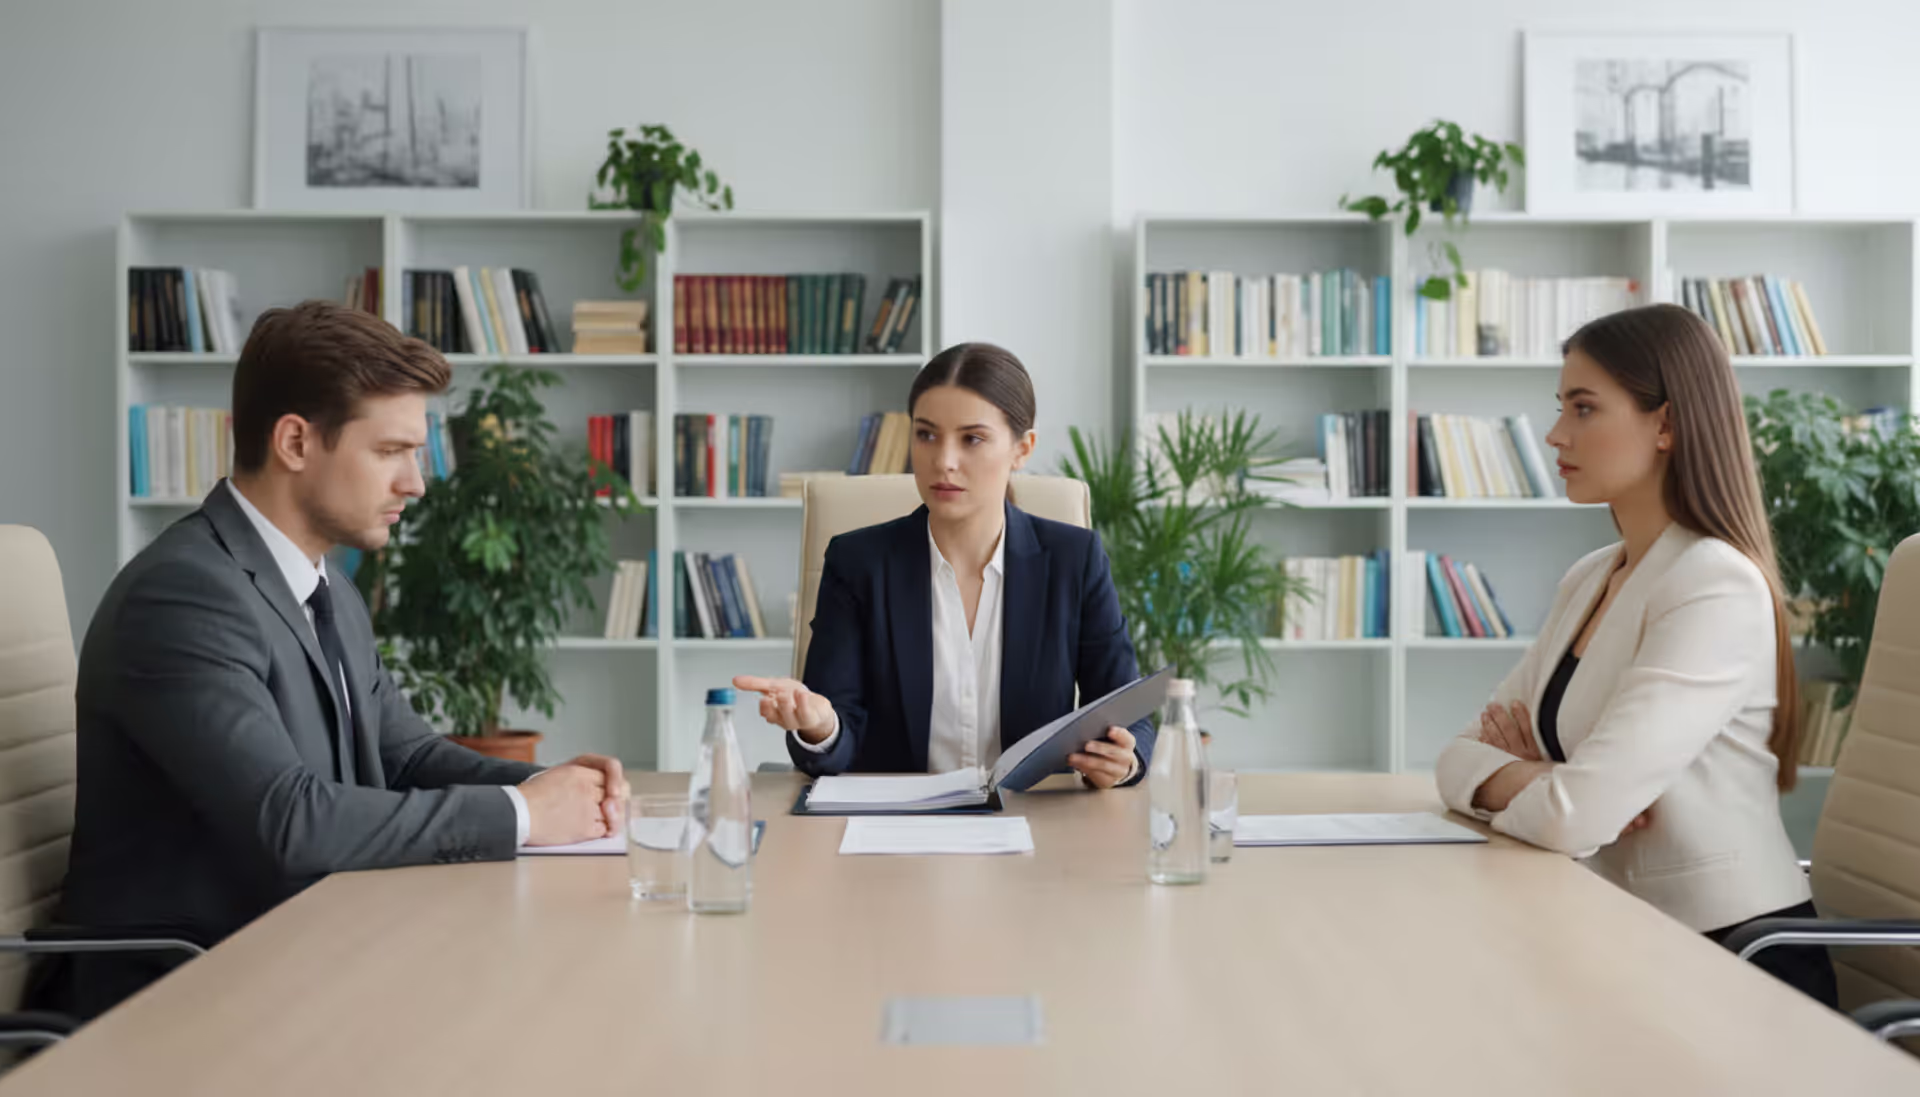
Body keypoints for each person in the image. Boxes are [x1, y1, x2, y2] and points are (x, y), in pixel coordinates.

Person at [40, 300, 628, 1020]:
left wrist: (552, 786)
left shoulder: (327, 587)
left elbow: (406, 756)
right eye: (390, 451)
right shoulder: (184, 596)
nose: (416, 481)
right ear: (295, 441)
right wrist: (523, 814)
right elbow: (290, 822)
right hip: (180, 991)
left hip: (307, 950)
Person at [1434, 303, 1834, 1006]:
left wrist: (1553, 788)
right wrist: (1541, 776)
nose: (1556, 434)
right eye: (1561, 407)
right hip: (1620, 933)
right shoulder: (1592, 576)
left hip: (1732, 964)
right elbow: (1456, 761)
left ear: (1667, 424)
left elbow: (1574, 816)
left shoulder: (1713, 584)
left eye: (1584, 408)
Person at [734, 342, 1155, 788]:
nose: (943, 461)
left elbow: (1131, 718)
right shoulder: (858, 564)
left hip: (1032, 827)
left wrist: (1123, 761)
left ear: (1022, 449)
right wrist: (820, 726)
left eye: (972, 439)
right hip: (894, 833)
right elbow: (838, 738)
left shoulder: (1075, 560)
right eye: (926, 435)